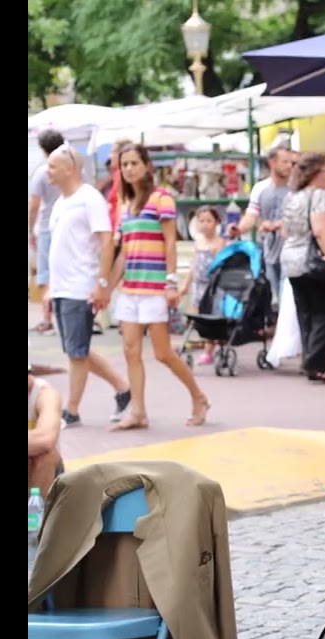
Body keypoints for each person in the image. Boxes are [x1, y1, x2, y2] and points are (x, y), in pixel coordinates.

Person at [107, 142, 211, 430]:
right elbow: (124, 254)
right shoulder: (125, 206)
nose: (128, 169)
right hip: (130, 289)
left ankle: (199, 396)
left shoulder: (161, 198)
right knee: (130, 351)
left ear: (147, 166)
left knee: (163, 353)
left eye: (133, 163)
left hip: (154, 288)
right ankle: (138, 412)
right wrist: (106, 287)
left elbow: (169, 242)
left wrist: (171, 283)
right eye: (124, 164)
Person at [44, 143, 132, 428]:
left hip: (81, 286)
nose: (48, 170)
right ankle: (123, 388)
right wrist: (50, 287)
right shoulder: (60, 203)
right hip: (62, 288)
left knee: (77, 352)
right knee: (75, 349)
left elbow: (106, 241)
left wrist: (102, 283)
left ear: (69, 169)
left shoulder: (89, 198)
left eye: (52, 165)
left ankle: (72, 410)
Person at [280, 152, 325, 383]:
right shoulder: (319, 196)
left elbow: (285, 230)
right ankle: (316, 362)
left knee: (307, 313)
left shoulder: (293, 196)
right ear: (316, 174)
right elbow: (321, 231)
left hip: (291, 260)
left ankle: (311, 361)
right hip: (314, 261)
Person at [231, 141, 297, 305]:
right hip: (269, 250)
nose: (289, 166)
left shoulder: (296, 188)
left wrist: (282, 224)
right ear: (272, 163)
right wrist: (238, 229)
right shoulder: (260, 188)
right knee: (272, 293)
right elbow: (251, 216)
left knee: (287, 293)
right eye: (285, 162)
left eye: (291, 162)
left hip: (293, 249)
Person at [182, 206, 228, 365]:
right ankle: (203, 343)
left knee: (211, 317)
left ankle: (209, 349)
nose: (205, 224)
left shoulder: (221, 243)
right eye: (201, 221)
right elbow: (193, 266)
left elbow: (220, 267)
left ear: (216, 223)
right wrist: (185, 285)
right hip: (197, 285)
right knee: (198, 317)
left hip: (212, 287)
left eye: (209, 221)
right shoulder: (198, 242)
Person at [30, 129, 65, 335]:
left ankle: (47, 319)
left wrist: (29, 230)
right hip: (67, 227)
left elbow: (34, 205)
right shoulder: (73, 168)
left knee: (46, 272)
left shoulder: (42, 172)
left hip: (47, 227)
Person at [28, 364, 64, 494]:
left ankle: (35, 512)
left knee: (45, 454)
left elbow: (45, 440)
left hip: (39, 470)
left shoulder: (45, 394)